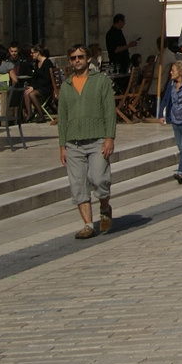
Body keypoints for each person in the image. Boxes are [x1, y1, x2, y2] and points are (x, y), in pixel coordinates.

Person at [56, 44, 117, 239]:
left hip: (97, 139)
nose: (77, 60)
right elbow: (62, 117)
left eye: (80, 57)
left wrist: (109, 137)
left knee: (100, 180)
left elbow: (109, 110)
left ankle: (105, 207)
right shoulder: (66, 86)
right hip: (73, 142)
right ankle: (88, 225)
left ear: (88, 59)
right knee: (77, 185)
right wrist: (62, 145)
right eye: (73, 57)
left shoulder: (100, 81)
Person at [22, 45, 57, 121]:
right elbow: (35, 77)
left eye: (33, 53)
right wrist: (31, 85)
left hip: (47, 87)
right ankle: (29, 113)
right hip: (40, 86)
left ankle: (41, 115)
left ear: (38, 53)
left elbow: (47, 79)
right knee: (26, 91)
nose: (31, 54)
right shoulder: (37, 63)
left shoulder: (47, 63)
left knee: (32, 93)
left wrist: (34, 87)